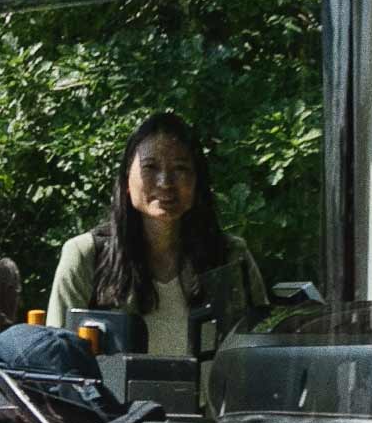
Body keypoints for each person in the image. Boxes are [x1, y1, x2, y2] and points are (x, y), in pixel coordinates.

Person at [45, 112, 272, 361]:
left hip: (211, 401)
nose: (165, 183)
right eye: (150, 168)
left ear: (198, 181)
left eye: (180, 168)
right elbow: (59, 367)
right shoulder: (86, 255)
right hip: (111, 401)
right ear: (126, 181)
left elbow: (261, 353)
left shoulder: (231, 258)